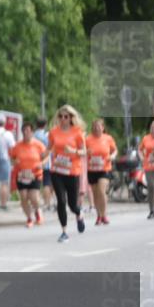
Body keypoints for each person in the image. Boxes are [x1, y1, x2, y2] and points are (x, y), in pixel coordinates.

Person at [47, 104, 87, 242]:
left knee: (72, 205)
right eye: (60, 116)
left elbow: (84, 151)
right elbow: (49, 148)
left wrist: (73, 151)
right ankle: (64, 231)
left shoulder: (77, 132)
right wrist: (42, 157)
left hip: (72, 172)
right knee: (61, 201)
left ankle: (79, 213)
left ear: (71, 118)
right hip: (57, 170)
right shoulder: (53, 132)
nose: (63, 119)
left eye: (66, 116)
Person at [10, 122, 47, 227]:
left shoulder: (38, 145)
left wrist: (42, 164)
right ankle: (29, 218)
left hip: (35, 174)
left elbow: (46, 156)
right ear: (22, 132)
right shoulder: (17, 146)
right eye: (24, 131)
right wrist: (14, 162)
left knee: (34, 197)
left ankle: (37, 212)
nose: (27, 133)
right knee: (23, 197)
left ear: (32, 132)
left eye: (29, 131)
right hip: (21, 175)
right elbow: (12, 158)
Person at [85, 119, 118, 225]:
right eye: (94, 126)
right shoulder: (88, 139)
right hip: (92, 170)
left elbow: (115, 150)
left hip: (104, 169)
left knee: (101, 191)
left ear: (103, 128)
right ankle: (99, 215)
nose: (96, 128)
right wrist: (86, 152)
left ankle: (104, 215)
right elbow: (82, 152)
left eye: (98, 126)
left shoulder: (108, 138)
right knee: (95, 194)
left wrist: (112, 156)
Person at [0, 114, 16, 210]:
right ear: (4, 123)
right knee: (4, 183)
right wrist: (12, 159)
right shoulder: (7, 134)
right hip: (4, 159)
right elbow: (12, 148)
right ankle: (3, 204)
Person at [140, 120, 154, 220]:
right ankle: (152, 211)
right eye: (152, 128)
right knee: (151, 186)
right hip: (149, 166)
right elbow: (140, 149)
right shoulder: (146, 138)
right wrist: (142, 157)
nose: (153, 130)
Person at [33, 116, 54, 211]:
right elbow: (50, 149)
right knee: (46, 183)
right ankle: (47, 203)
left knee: (36, 184)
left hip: (34, 161)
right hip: (46, 162)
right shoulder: (47, 135)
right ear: (45, 125)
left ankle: (35, 203)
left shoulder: (33, 135)